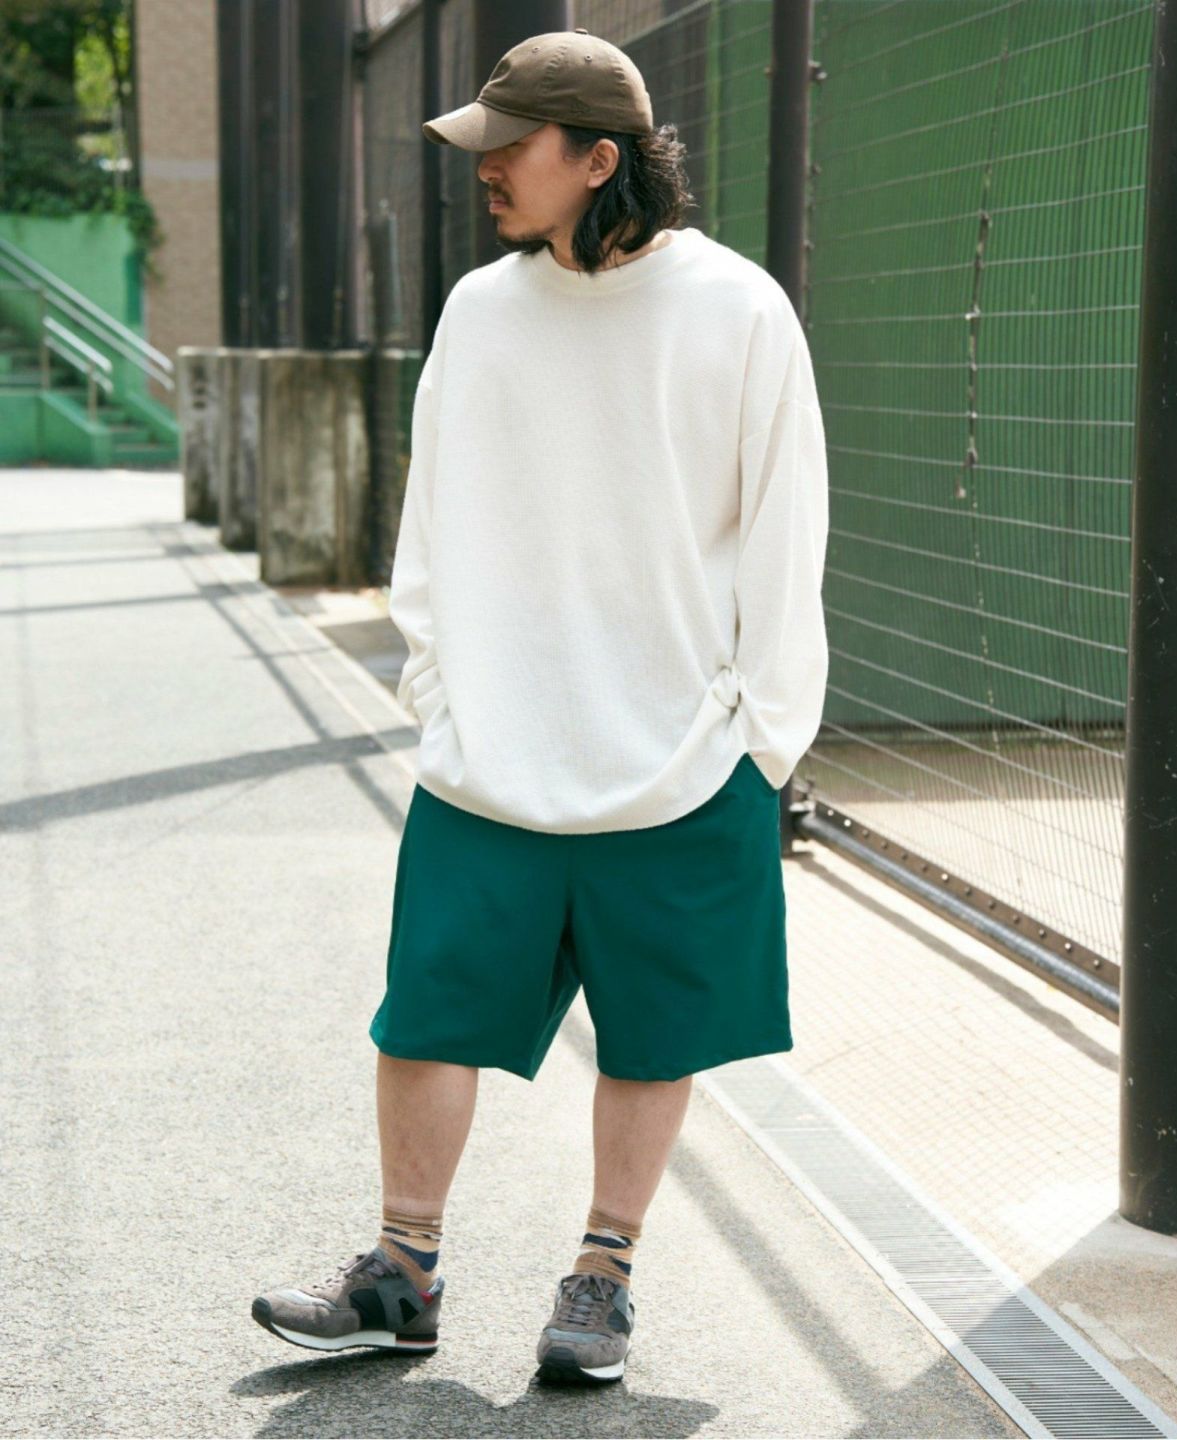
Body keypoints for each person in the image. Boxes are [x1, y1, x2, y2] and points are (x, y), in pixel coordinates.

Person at [251, 27, 829, 1386]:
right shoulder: (481, 309)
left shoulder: (739, 311)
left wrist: (760, 743)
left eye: (513, 148)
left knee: (655, 1030)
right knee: (424, 1015)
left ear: (600, 160)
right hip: (491, 753)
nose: (487, 170)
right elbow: (432, 514)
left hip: (683, 754)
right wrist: (439, 692)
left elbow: (786, 533)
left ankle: (601, 1281)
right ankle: (401, 1274)